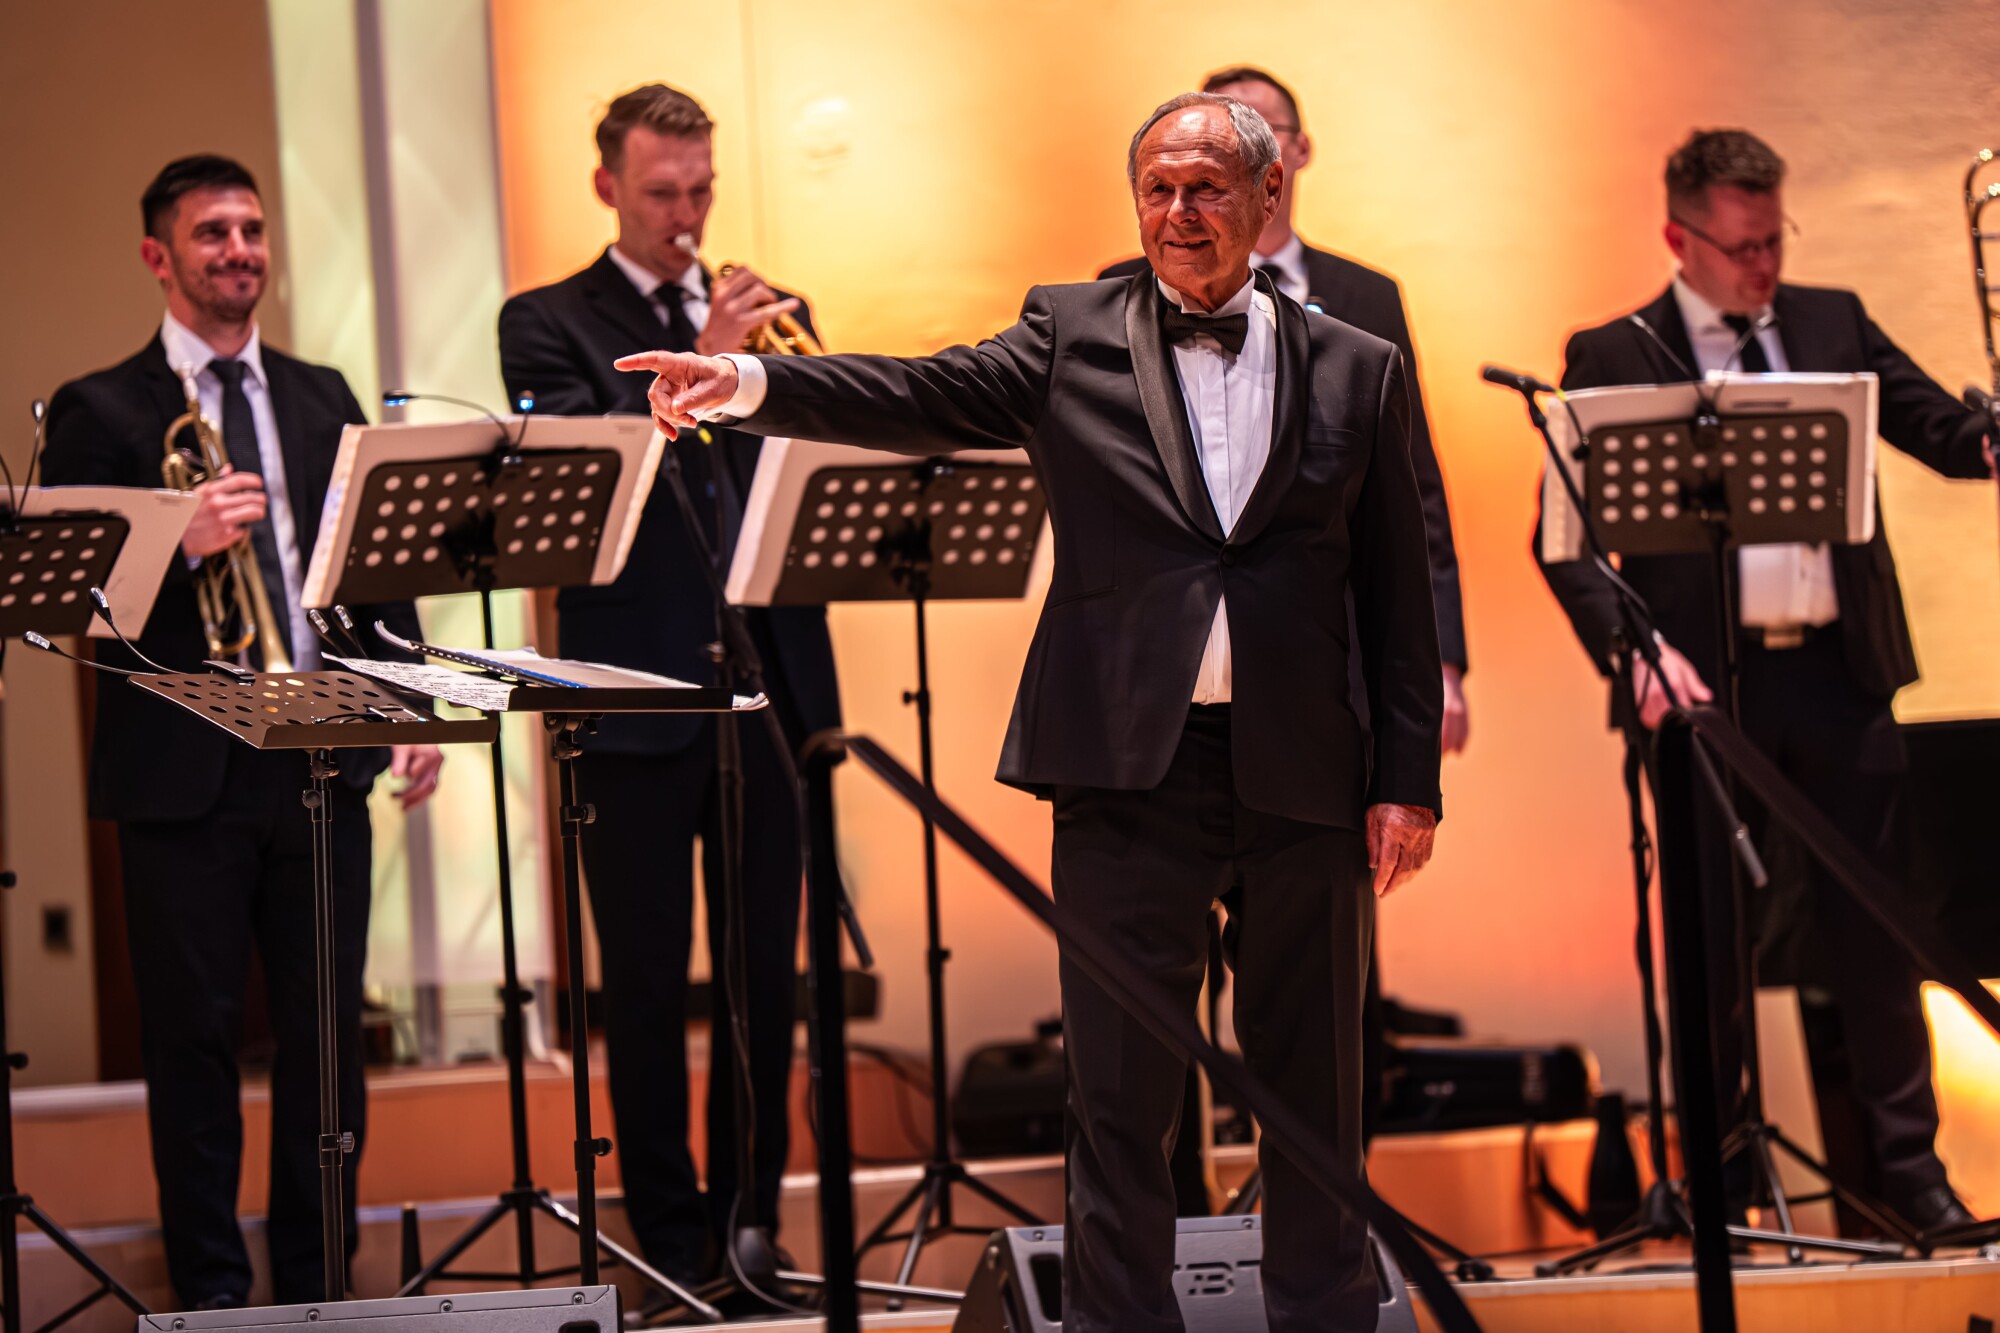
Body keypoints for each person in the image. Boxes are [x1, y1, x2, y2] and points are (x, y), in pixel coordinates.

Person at [619, 92, 1443, 1333]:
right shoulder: (1071, 330)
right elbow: (912, 392)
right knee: (1117, 1105)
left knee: (1313, 1102)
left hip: (1306, 775)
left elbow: (1396, 590)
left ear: (1268, 195)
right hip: (1123, 771)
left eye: (1206, 188)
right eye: (1157, 188)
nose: (1177, 212)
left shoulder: (1358, 365)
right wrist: (739, 381)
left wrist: (1406, 780)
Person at [1539, 128, 1994, 1233]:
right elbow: (1564, 543)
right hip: (1703, 697)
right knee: (1709, 948)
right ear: (1678, 238)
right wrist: (1640, 652)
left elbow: (1940, 431)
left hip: (1838, 676)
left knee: (1877, 935)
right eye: (1740, 248)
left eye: (1773, 240)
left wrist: (1987, 437)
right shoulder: (1616, 352)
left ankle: (1912, 1179)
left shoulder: (1830, 320)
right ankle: (1724, 1184)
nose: (1763, 267)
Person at [41, 154, 442, 1308]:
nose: (239, 252)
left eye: (252, 230)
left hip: (319, 756)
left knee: (327, 1046)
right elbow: (70, 604)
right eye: (212, 233)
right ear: (158, 257)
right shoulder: (101, 409)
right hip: (183, 773)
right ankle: (213, 1295)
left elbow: (370, 561)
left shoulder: (321, 394)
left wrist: (405, 696)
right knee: (193, 1046)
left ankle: (320, 1285)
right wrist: (173, 542)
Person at [496, 83, 839, 1289]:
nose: (685, 215)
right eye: (659, 193)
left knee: (764, 985)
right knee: (642, 987)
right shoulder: (546, 322)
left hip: (770, 690)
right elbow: (585, 489)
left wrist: (760, 359)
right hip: (631, 692)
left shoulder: (772, 312)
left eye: (699, 190)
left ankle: (751, 1233)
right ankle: (671, 1246)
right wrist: (713, 357)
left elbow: (818, 474)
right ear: (607, 187)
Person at [1103, 65, 1471, 1184]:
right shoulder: (1112, 303)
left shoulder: (1364, 300)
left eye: (1247, 146)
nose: (1190, 202)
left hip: (1323, 690)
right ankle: (1185, 1222)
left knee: (1319, 1003)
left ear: (1285, 163)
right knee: (1150, 1011)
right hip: (1170, 710)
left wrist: (1436, 675)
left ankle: (1325, 1222)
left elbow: (1410, 500)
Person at [1100, 65, 1468, 751]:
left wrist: (1441, 660)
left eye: (1259, 134)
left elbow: (1413, 486)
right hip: (1169, 653)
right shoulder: (1120, 290)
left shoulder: (1368, 298)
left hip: (1331, 646)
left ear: (1293, 155)